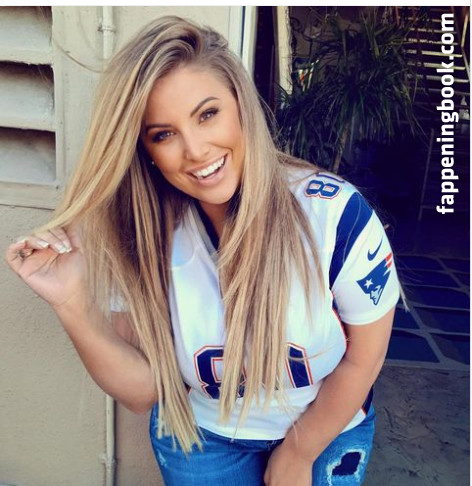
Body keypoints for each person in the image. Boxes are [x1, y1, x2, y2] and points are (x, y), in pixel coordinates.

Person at [5, 15, 399, 486]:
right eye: (163, 134)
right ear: (145, 151)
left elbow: (365, 357)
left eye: (207, 114)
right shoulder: (140, 236)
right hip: (202, 437)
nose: (194, 150)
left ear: (240, 105)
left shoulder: (336, 217)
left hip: (327, 426)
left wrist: (299, 452)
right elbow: (144, 391)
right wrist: (71, 303)